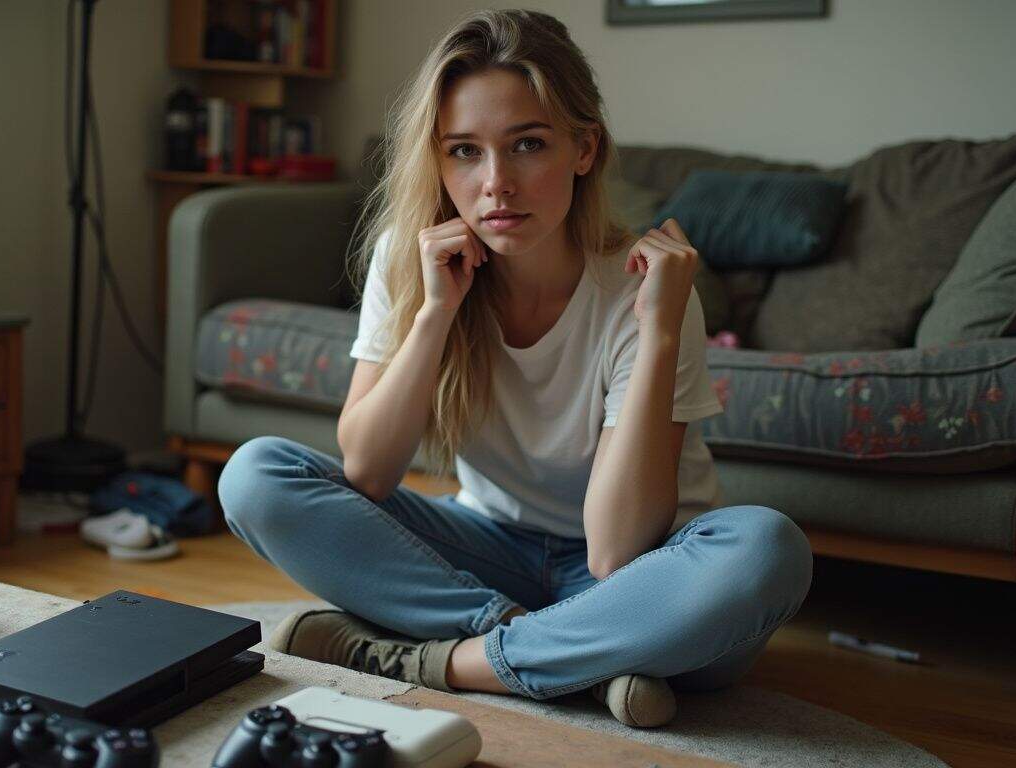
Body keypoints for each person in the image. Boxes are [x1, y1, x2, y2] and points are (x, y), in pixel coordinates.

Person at [219, 8, 812, 728]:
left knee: (765, 551)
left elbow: (617, 553)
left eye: (527, 144)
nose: (496, 182)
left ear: (584, 148)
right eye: (464, 151)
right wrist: (436, 312)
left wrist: (657, 331)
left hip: (645, 579)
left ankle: (445, 660)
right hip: (486, 554)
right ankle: (579, 664)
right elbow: (369, 472)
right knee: (255, 475)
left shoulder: (645, 287)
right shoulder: (412, 262)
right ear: (436, 161)